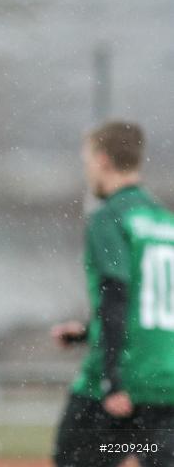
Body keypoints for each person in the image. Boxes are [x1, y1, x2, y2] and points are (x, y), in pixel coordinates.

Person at [52, 121, 174, 467]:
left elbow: (116, 296)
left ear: (103, 160)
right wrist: (86, 332)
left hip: (125, 377)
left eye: (87, 160)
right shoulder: (164, 221)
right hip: (167, 381)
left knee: (72, 457)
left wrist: (111, 380)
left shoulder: (110, 218)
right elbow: (152, 303)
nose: (87, 170)